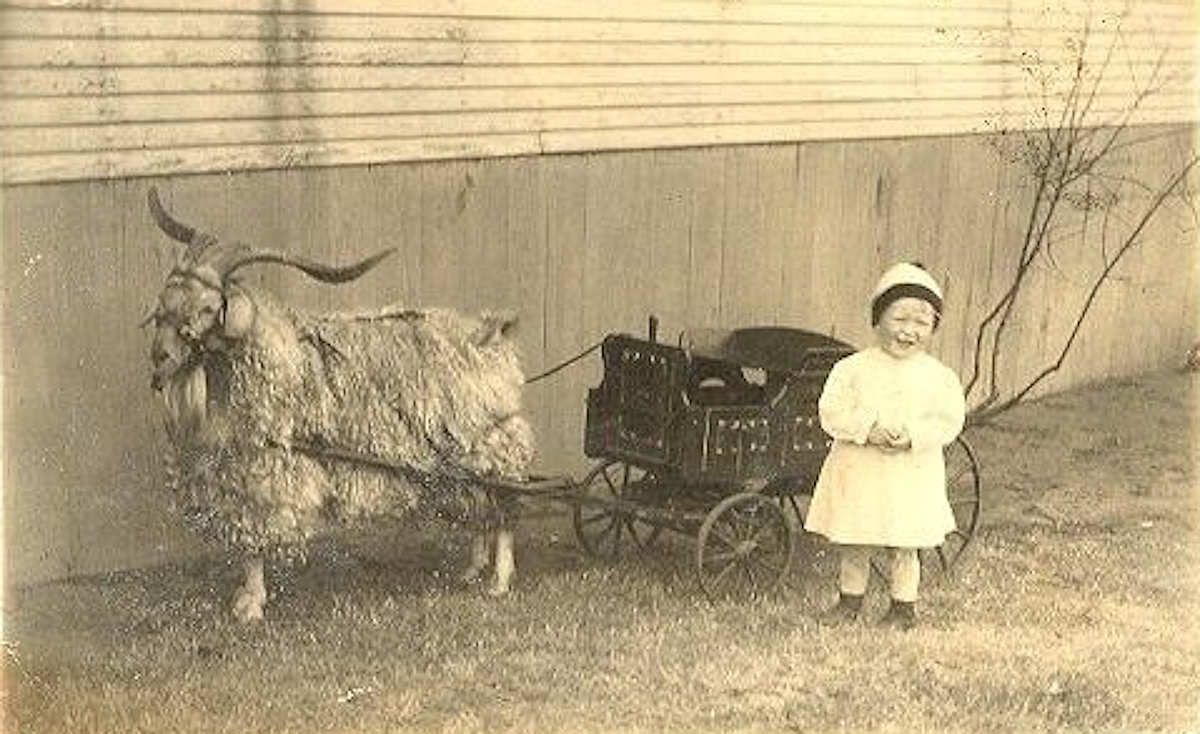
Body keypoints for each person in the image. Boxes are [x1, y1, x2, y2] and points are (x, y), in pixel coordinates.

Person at [804, 261, 966, 630]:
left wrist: (913, 436)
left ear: (933, 328)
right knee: (855, 538)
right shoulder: (851, 368)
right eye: (900, 319)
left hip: (910, 474)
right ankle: (849, 602)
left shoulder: (939, 377)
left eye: (920, 323)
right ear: (878, 319)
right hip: (861, 471)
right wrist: (867, 429)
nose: (908, 331)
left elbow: (948, 420)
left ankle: (902, 607)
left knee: (906, 544)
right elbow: (832, 411)